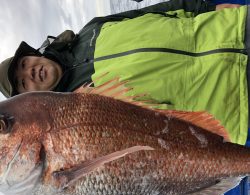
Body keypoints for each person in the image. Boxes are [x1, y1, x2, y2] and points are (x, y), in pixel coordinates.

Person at [0, 0, 247, 145]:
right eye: (23, 83)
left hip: (232, 29)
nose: (30, 72)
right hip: (236, 101)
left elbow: (153, 12)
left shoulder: (90, 30)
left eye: (24, 64)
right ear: (29, 99)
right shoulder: (83, 111)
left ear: (33, 54)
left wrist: (205, 7)